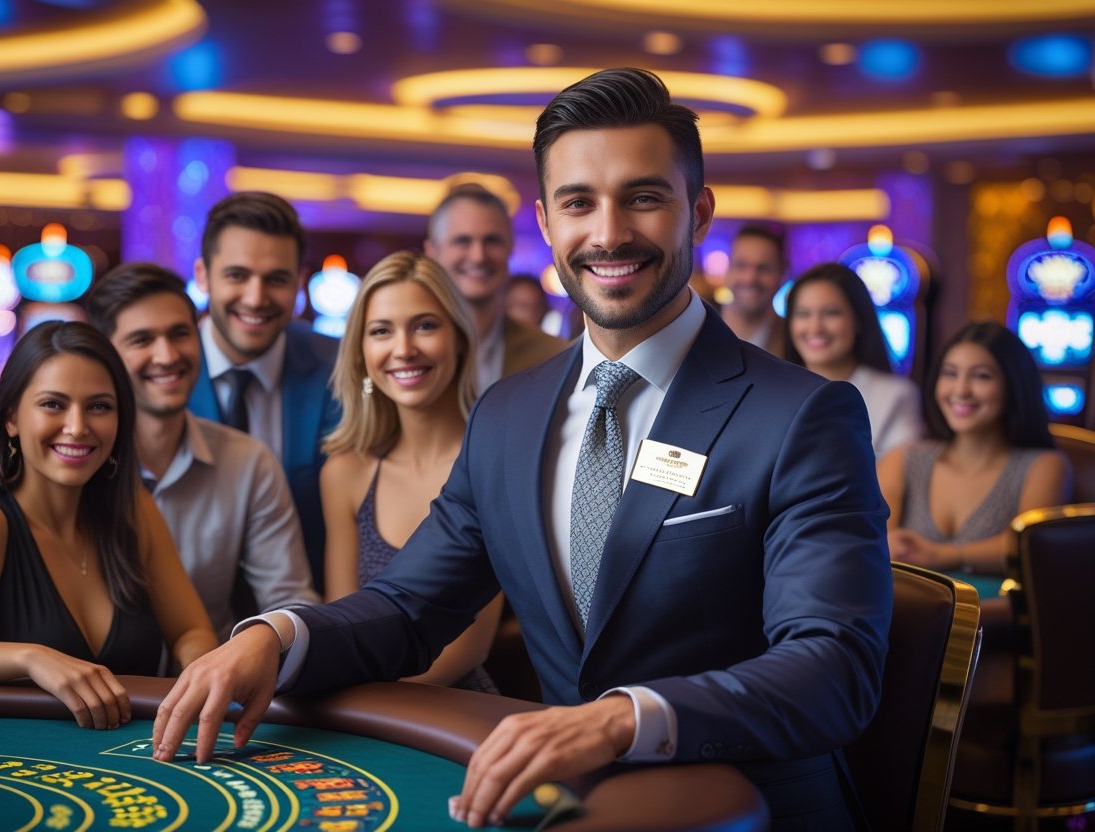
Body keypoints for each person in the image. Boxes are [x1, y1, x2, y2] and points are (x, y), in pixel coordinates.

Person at [152, 68, 891, 831]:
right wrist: (276, 636)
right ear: (544, 221)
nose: (607, 233)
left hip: (752, 811)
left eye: (643, 196)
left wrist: (618, 720)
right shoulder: (508, 414)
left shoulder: (804, 414)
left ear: (698, 213)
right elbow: (410, 609)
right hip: (566, 807)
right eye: (578, 202)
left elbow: (835, 667)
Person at [0, 322, 217, 728]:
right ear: (10, 418)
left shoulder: (135, 511)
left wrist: (200, 680)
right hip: (18, 766)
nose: (77, 427)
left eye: (99, 406)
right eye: (53, 404)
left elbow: (190, 629)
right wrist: (32, 658)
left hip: (137, 758)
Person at [87, 263, 319, 640]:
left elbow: (291, 600)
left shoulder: (248, 462)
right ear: (104, 357)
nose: (167, 355)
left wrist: (254, 650)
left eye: (180, 334)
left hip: (211, 682)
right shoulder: (76, 460)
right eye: (142, 340)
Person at [320, 250, 503, 692]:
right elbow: (342, 625)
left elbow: (468, 647)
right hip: (358, 703)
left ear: (458, 339)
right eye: (381, 331)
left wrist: (368, 701)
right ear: (361, 354)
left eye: (425, 325)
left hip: (456, 711)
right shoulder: (344, 470)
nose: (403, 349)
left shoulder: (496, 460)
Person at [186, 191, 340, 594]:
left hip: (309, 619)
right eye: (237, 275)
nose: (256, 298)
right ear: (203, 275)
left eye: (276, 279)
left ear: (300, 282)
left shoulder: (341, 369)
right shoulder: (156, 371)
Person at [878, 321, 1071, 598]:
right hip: (906, 617)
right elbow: (878, 546)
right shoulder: (904, 459)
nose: (961, 390)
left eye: (981, 376)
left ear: (1013, 385)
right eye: (950, 374)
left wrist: (943, 555)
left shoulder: (1044, 465)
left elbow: (1027, 549)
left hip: (997, 626)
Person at [424, 186, 566, 393]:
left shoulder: (555, 357)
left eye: (492, 241)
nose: (478, 256)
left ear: (510, 248)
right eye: (462, 241)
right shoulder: (407, 351)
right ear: (432, 252)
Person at [784, 262, 924, 457]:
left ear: (858, 320)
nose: (815, 328)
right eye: (803, 314)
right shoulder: (773, 391)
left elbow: (895, 481)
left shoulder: (896, 396)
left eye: (831, 313)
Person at [720, 224, 787, 357]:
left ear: (782, 274)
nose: (750, 279)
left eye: (763, 268)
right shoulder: (696, 329)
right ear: (727, 270)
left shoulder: (795, 341)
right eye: (741, 265)